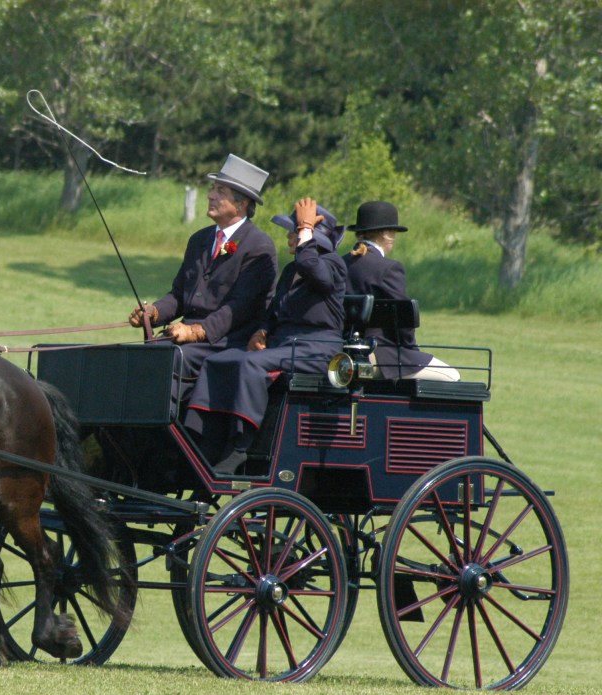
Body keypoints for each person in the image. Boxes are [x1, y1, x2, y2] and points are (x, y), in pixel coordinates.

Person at [190, 198, 347, 474]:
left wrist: (306, 228)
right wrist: (262, 330)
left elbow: (314, 270)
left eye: (293, 231)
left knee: (251, 364)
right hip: (284, 345)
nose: (289, 236)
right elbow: (274, 310)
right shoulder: (291, 271)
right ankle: (207, 439)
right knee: (219, 361)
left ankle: (241, 447)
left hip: (317, 348)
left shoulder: (333, 264)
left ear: (313, 236)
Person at [127, 154, 277, 431]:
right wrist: (154, 312)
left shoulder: (259, 246)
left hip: (228, 340)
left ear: (241, 204)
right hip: (187, 339)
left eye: (220, 191)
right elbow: (179, 295)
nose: (211, 195)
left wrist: (195, 331)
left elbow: (238, 309)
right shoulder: (200, 240)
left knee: (168, 360)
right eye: (213, 189)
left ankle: (168, 435)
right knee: (138, 357)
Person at [344, 201, 459, 381]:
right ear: (387, 234)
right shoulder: (388, 268)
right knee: (452, 376)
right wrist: (412, 352)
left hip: (342, 351)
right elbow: (403, 321)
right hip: (380, 355)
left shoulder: (341, 263)